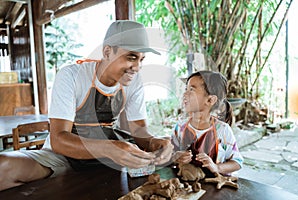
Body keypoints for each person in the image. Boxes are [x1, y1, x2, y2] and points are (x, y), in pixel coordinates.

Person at [0, 20, 173, 191]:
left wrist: (153, 142)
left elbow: (138, 133)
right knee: (3, 167)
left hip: (108, 158)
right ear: (107, 52)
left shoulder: (134, 82)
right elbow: (59, 140)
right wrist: (110, 149)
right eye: (131, 57)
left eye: (142, 59)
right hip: (65, 157)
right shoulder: (71, 76)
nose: (137, 67)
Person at [171, 70, 243, 176]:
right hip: (187, 188)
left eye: (191, 90)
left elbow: (237, 162)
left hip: (215, 189)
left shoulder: (223, 130)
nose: (185, 94)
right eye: (186, 89)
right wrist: (176, 157)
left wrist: (216, 167)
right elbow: (169, 156)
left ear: (210, 100)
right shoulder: (180, 127)